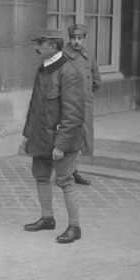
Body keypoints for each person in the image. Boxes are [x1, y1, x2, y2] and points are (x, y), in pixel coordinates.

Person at [20, 29, 86, 244]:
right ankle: (47, 218)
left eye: (41, 43)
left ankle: (75, 227)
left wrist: (61, 145)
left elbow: (73, 114)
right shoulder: (43, 70)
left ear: (53, 46)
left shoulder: (69, 72)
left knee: (65, 180)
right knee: (41, 176)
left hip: (61, 140)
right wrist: (27, 135)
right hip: (40, 137)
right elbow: (34, 106)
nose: (37, 47)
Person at [63, 23, 101, 185]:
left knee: (82, 137)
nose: (76, 42)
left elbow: (96, 78)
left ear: (84, 39)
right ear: (69, 39)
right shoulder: (63, 56)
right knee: (70, 137)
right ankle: (66, 172)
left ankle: (73, 171)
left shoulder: (88, 55)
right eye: (73, 38)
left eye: (80, 38)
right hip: (71, 104)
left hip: (86, 103)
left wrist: (88, 93)